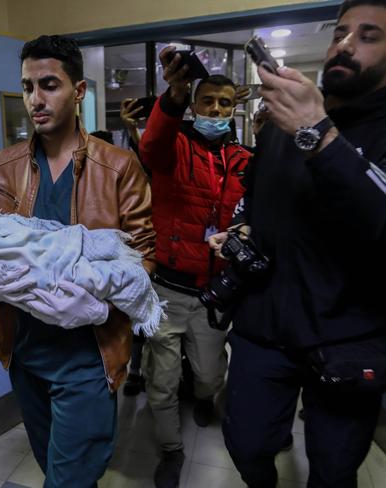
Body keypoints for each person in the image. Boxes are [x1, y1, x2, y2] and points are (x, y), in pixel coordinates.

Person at [208, 1, 386, 486]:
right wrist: (243, 232)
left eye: (369, 36)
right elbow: (258, 200)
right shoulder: (283, 127)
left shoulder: (314, 126)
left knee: (333, 469)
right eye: (341, 33)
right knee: (246, 445)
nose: (346, 44)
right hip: (265, 325)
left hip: (347, 335)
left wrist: (319, 133)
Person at [0, 35, 154, 487]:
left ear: (78, 91)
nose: (35, 100)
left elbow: (146, 257)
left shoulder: (118, 167)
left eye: (49, 85)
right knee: (57, 468)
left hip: (87, 359)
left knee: (68, 481)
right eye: (26, 87)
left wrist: (100, 304)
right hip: (25, 354)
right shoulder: (5, 165)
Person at [138, 53, 251, 488]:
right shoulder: (174, 148)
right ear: (195, 106)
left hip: (214, 292)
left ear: (233, 109)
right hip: (167, 287)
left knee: (208, 375)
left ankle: (203, 397)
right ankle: (170, 449)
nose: (217, 111)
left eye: (225, 104)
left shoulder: (243, 158)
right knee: (160, 382)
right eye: (208, 103)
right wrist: (175, 94)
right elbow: (150, 144)